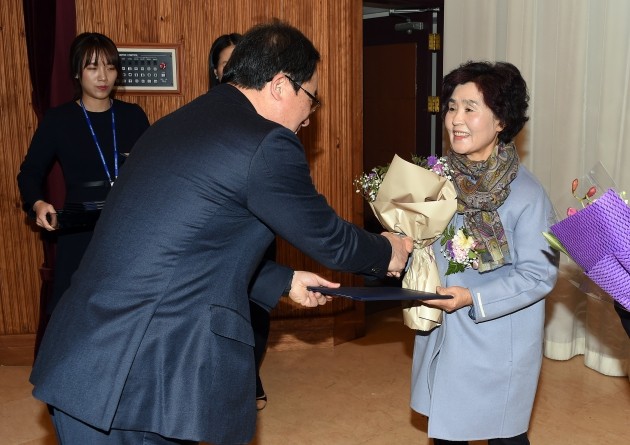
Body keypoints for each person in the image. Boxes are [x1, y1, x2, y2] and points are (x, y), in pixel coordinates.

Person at [29, 20, 413, 445]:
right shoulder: (264, 142)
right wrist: (391, 250)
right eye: (312, 98)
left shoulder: (180, 121)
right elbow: (331, 239)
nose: (310, 115)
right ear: (282, 85)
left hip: (87, 356)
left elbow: (184, 240)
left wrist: (284, 280)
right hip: (139, 374)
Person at [409, 61, 559, 444]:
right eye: (452, 106)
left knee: (504, 435)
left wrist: (471, 298)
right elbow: (424, 239)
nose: (456, 119)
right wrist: (404, 245)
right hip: (445, 327)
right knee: (446, 432)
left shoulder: (527, 195)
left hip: (496, 337)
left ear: (500, 122)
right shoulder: (437, 176)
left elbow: (538, 275)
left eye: (470, 108)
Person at [17, 32, 150, 315]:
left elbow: (153, 172)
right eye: (93, 67)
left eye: (110, 67)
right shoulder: (59, 120)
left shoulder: (133, 116)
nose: (103, 76)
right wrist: (38, 204)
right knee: (72, 312)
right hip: (80, 229)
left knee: (127, 312)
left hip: (127, 228)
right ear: (77, 72)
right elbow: (29, 172)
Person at [209, 31, 270, 411]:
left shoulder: (270, 122)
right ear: (216, 73)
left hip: (260, 225)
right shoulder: (204, 116)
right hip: (221, 234)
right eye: (227, 66)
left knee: (258, 303)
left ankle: (251, 373)